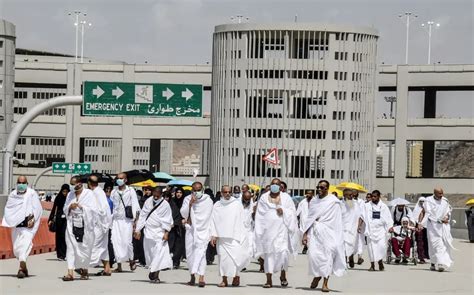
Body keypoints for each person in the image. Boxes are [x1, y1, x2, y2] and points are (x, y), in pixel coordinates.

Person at [254, 178, 298, 288]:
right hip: (268, 231)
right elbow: (260, 214)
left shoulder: (286, 198)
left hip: (282, 231)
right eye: (273, 184)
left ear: (280, 186)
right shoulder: (264, 197)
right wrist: (260, 230)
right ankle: (268, 280)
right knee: (269, 255)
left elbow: (292, 212)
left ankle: (283, 276)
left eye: (277, 184)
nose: (275, 186)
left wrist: (284, 211)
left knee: (283, 254)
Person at [302, 180, 346, 292]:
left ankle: (325, 283)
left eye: (322, 187)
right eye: (318, 187)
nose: (319, 189)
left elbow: (338, 221)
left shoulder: (334, 201)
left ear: (327, 188)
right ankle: (317, 276)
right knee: (314, 256)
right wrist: (305, 234)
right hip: (315, 233)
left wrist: (338, 237)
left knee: (328, 257)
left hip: (330, 233)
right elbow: (309, 218)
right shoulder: (314, 201)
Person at [2, 176, 42, 278]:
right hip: (16, 226)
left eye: (23, 182)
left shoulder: (31, 193)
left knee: (24, 244)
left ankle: (21, 267)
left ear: (27, 183)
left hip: (28, 226)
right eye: (19, 182)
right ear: (16, 183)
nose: (21, 184)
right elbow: (9, 208)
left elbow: (37, 208)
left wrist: (33, 219)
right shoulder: (13, 194)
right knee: (16, 248)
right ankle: (24, 269)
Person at [210, 185, 250, 287]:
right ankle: (224, 280)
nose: (227, 194)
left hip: (234, 237)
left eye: (229, 192)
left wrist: (242, 235)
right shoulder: (217, 205)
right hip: (222, 237)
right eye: (225, 192)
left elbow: (242, 220)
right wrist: (213, 235)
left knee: (235, 258)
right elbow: (213, 221)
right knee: (223, 259)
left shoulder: (237, 204)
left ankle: (236, 277)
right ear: (221, 193)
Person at [62, 176, 98, 281]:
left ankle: (85, 270)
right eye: (71, 184)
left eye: (73, 184)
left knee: (85, 248)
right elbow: (65, 208)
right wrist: (70, 207)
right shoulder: (70, 194)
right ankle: (70, 272)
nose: (72, 186)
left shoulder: (89, 194)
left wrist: (82, 207)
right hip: (71, 224)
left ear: (79, 183)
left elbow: (94, 210)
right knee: (70, 247)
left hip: (85, 225)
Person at [134, 187, 173, 283]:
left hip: (160, 232)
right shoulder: (148, 201)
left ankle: (156, 275)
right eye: (154, 195)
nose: (155, 197)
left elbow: (168, 220)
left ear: (161, 195)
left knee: (159, 253)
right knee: (150, 253)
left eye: (157, 196)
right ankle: (152, 269)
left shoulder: (165, 205)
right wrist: (138, 230)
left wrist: (166, 233)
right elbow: (143, 215)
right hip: (149, 232)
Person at [180, 182, 214, 287]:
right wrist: (190, 204)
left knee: (201, 253)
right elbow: (183, 214)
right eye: (194, 190)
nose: (196, 192)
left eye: (198, 190)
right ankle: (192, 276)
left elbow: (211, 217)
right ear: (191, 190)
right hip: (191, 230)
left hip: (203, 231)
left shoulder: (208, 201)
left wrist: (212, 233)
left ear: (202, 190)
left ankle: (201, 277)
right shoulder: (187, 199)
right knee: (190, 254)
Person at [110, 172, 140, 272]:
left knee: (127, 242)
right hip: (116, 220)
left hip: (127, 220)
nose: (119, 180)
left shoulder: (130, 191)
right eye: (118, 178)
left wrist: (136, 220)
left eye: (121, 178)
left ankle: (131, 260)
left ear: (125, 180)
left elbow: (135, 205)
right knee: (116, 242)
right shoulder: (114, 192)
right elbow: (110, 206)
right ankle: (119, 266)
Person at [420, 188, 454, 272]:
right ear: (434, 193)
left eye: (442, 193)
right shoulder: (428, 201)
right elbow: (426, 213)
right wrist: (420, 223)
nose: (441, 195)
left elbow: (448, 212)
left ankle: (440, 263)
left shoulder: (445, 201)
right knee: (432, 245)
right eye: (439, 193)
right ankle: (433, 263)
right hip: (432, 226)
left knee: (441, 245)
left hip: (442, 227)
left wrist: (446, 217)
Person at [359, 190, 393, 271]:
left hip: (381, 230)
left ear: (379, 197)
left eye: (375, 196)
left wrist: (390, 227)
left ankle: (380, 261)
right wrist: (359, 226)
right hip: (370, 230)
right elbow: (362, 216)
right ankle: (372, 265)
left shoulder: (384, 206)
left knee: (381, 247)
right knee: (371, 248)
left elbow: (389, 218)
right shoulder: (366, 206)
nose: (373, 198)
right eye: (372, 196)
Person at [88, 175, 113, 276]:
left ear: (89, 183)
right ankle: (107, 269)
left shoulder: (96, 193)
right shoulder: (99, 192)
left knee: (93, 245)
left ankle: (83, 266)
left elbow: (100, 210)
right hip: (104, 225)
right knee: (103, 247)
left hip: (100, 225)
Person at [48, 184, 70, 261]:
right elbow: (54, 209)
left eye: (66, 192)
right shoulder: (58, 198)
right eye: (63, 191)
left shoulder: (70, 198)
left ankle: (65, 254)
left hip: (67, 220)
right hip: (58, 220)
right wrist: (50, 219)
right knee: (59, 237)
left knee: (65, 237)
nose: (65, 193)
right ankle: (60, 255)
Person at [342, 188, 362, 268]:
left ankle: (351, 257)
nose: (352, 196)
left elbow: (361, 215)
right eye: (350, 195)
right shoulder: (340, 204)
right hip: (343, 229)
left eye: (352, 195)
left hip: (353, 229)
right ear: (344, 195)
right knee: (343, 246)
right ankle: (344, 262)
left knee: (352, 245)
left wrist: (359, 225)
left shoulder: (356, 204)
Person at [134, 186, 152, 267]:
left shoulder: (153, 200)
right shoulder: (142, 200)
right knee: (141, 242)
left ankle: (149, 260)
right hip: (142, 223)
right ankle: (142, 260)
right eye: (146, 190)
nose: (148, 191)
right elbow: (139, 211)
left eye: (149, 190)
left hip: (150, 223)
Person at [169, 188, 186, 269]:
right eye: (177, 192)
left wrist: (185, 219)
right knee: (172, 244)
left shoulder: (184, 202)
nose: (178, 194)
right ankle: (171, 261)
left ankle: (176, 261)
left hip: (182, 227)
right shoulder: (172, 202)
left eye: (180, 192)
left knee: (179, 245)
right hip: (173, 226)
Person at [296, 190, 314, 254]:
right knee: (303, 234)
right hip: (304, 221)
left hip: (312, 222)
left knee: (311, 235)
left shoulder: (315, 202)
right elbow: (297, 212)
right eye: (307, 193)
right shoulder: (302, 202)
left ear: (312, 194)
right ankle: (306, 246)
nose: (308, 195)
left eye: (310, 193)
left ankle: (309, 248)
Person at [412, 197, 429, 263]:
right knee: (420, 243)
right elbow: (413, 219)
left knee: (427, 243)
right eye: (420, 201)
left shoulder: (427, 209)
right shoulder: (416, 209)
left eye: (423, 201)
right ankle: (421, 257)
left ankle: (426, 256)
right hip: (418, 228)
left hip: (427, 228)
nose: (422, 203)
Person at [241, 190, 256, 261]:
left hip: (249, 230)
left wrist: (254, 213)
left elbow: (254, 219)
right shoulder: (237, 205)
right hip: (239, 231)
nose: (247, 201)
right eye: (245, 199)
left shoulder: (253, 206)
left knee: (250, 248)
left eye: (248, 199)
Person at [104, 183, 116, 268]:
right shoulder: (103, 199)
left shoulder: (113, 200)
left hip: (110, 223)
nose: (108, 191)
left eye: (109, 189)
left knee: (109, 242)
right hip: (103, 223)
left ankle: (111, 259)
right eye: (106, 189)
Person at [353, 192, 366, 265]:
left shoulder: (361, 202)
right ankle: (350, 256)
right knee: (352, 241)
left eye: (355, 194)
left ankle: (359, 257)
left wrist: (359, 225)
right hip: (351, 224)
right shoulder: (349, 202)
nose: (354, 195)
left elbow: (362, 214)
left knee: (360, 240)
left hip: (360, 223)